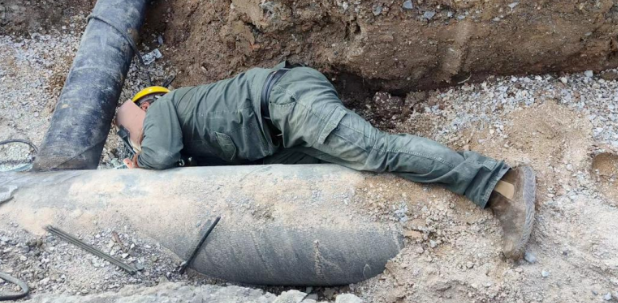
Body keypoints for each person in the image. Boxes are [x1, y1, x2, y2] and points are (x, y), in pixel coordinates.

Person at [116, 64, 536, 259]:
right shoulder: (190, 140)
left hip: (285, 103)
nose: (135, 141)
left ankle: (498, 182)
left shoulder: (164, 108)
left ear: (145, 105)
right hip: (280, 133)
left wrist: (139, 160)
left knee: (375, 151)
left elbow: (159, 155)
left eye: (132, 132)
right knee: (353, 166)